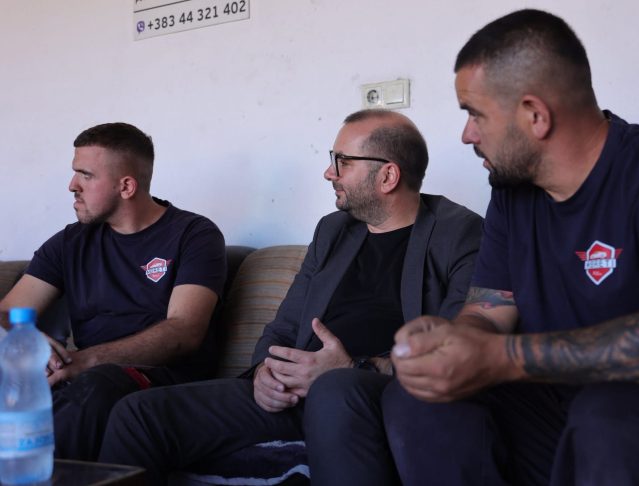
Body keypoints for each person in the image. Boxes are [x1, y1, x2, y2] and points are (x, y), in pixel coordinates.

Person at [384, 9, 639, 486]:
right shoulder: (512, 194)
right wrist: (456, 343)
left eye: (474, 114)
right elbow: (489, 311)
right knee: (420, 398)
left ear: (535, 115)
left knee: (609, 412)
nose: (467, 134)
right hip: (558, 414)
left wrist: (506, 358)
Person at [97, 109, 482, 485]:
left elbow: (455, 349)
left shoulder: (460, 234)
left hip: (369, 395)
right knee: (138, 414)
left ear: (387, 176)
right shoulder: (333, 231)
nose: (329, 172)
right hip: (293, 392)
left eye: (342, 161)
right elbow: (284, 325)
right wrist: (265, 372)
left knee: (335, 389)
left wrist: (353, 368)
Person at [0, 122, 227, 461]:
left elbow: (185, 332)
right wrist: (26, 339)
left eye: (86, 175)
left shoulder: (194, 235)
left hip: (159, 380)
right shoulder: (70, 243)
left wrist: (85, 361)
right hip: (80, 377)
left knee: (97, 387)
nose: (72, 185)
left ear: (126, 186)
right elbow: (6, 313)